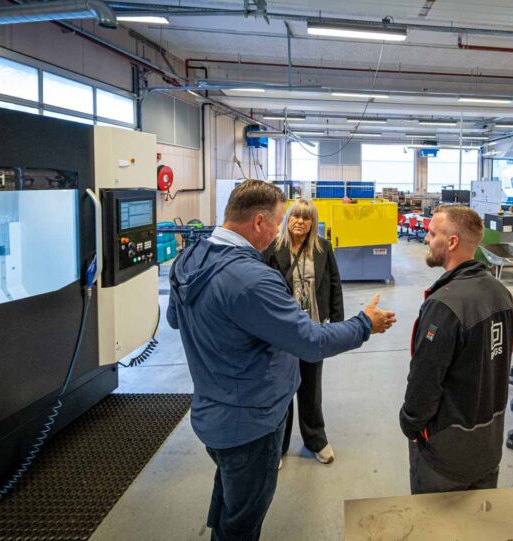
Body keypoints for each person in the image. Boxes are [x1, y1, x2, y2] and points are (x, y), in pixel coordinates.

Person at [167, 180, 396, 541]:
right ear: (259, 222)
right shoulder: (253, 279)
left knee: (231, 499)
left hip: (212, 412)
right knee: (244, 522)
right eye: (277, 221)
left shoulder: (190, 259)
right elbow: (311, 341)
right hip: (251, 423)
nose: (279, 229)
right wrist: (365, 324)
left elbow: (176, 320)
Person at [399, 205, 513, 494]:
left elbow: (425, 379)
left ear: (451, 243)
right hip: (488, 444)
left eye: (432, 233)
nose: (426, 239)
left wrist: (410, 424)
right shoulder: (501, 293)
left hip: (446, 454)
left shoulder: (444, 306)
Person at [263, 199, 341, 464]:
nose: (301, 222)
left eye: (307, 218)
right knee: (282, 389)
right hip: (282, 330)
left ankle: (315, 440)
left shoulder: (322, 248)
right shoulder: (273, 249)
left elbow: (334, 283)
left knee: (311, 387)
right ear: (287, 219)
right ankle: (279, 446)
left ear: (312, 222)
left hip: (312, 329)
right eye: (296, 216)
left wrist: (338, 323)